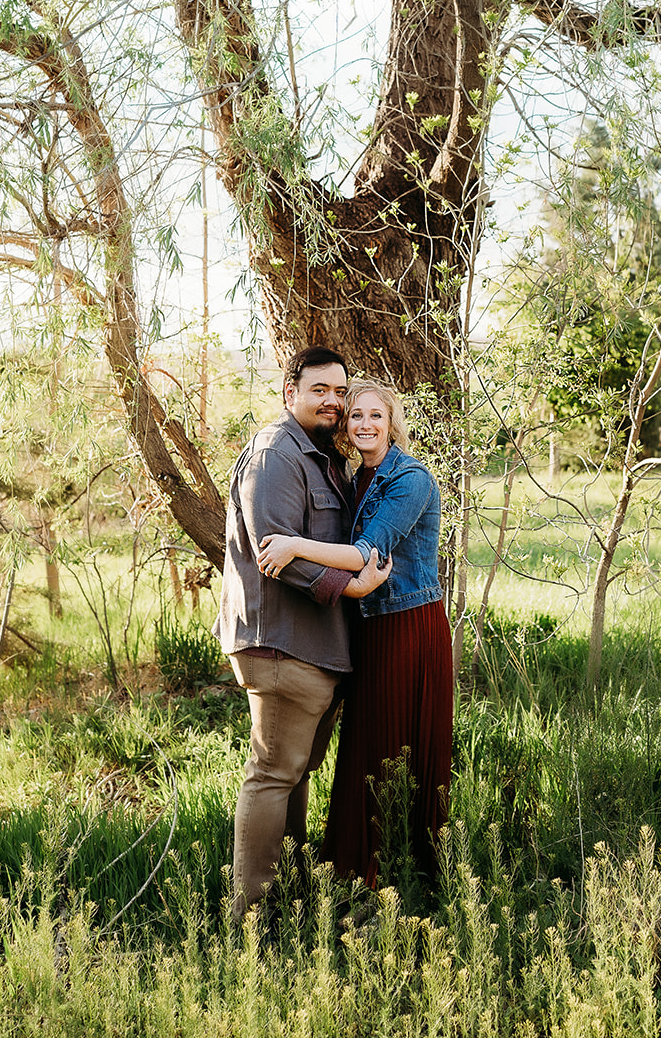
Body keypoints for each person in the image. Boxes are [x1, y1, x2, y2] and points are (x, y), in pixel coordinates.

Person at [214, 348, 391, 922]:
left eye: (340, 392)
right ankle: (251, 916)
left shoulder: (318, 455)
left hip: (312, 646)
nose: (334, 403)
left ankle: (285, 889)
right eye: (320, 391)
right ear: (290, 391)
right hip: (281, 640)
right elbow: (277, 553)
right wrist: (350, 588)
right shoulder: (276, 454)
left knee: (292, 771)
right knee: (271, 773)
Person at [257, 378, 453, 889]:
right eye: (356, 416)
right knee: (365, 747)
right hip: (366, 627)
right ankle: (352, 866)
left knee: (396, 745)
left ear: (392, 423)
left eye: (376, 416)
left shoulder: (409, 481)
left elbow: (367, 554)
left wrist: (293, 545)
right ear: (346, 425)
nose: (365, 424)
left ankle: (402, 873)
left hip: (407, 625)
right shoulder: (353, 476)